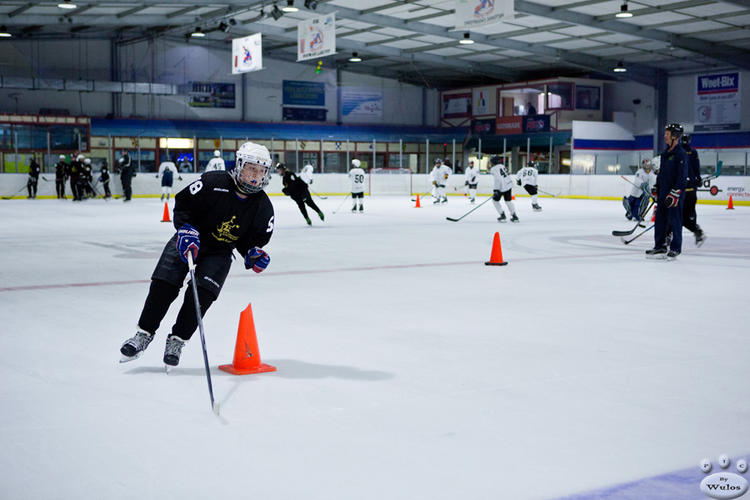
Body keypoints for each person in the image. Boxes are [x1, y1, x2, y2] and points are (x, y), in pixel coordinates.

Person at [119, 142, 275, 368]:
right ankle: (143, 334)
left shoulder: (263, 207)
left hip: (220, 252)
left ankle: (177, 340)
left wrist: (252, 254)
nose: (255, 176)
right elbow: (183, 205)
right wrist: (185, 228)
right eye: (251, 168)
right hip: (189, 240)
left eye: (261, 171)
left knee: (202, 296)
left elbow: (250, 240)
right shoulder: (214, 182)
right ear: (239, 166)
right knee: (164, 284)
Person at [647, 123, 687, 260]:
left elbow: (682, 177)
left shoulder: (681, 154)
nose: (664, 136)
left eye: (667, 134)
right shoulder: (665, 154)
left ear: (675, 136)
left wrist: (675, 193)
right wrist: (657, 187)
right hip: (663, 192)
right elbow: (662, 173)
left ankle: (675, 248)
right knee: (660, 220)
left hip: (674, 194)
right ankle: (660, 246)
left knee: (675, 221)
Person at [681, 134, 706, 247]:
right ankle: (697, 231)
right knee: (677, 215)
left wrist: (698, 178)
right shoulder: (677, 151)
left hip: (689, 189)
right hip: (679, 188)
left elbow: (696, 166)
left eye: (686, 139)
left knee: (687, 215)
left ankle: (697, 231)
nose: (685, 141)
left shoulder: (693, 152)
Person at [489, 155, 519, 223]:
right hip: (508, 185)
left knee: (495, 201)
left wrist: (496, 190)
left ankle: (502, 215)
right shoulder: (502, 166)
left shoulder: (494, 169)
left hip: (501, 187)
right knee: (508, 201)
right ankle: (514, 216)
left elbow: (498, 179)